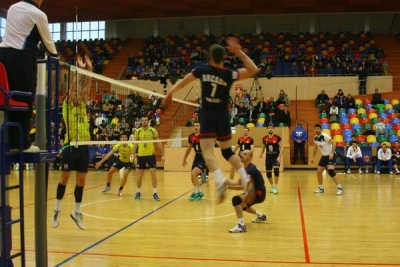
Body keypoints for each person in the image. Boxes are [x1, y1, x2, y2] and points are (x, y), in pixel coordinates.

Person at [163, 37, 259, 202]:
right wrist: (239, 52)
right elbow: (254, 70)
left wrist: (169, 93)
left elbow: (183, 83)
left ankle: (220, 180)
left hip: (207, 115)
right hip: (223, 115)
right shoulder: (229, 74)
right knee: (227, 151)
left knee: (207, 151)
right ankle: (244, 178)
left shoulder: (202, 70)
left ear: (210, 57)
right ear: (224, 58)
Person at [0, 0, 58, 151]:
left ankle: (12, 143)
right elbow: (49, 45)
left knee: (10, 100)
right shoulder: (38, 14)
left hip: (3, 56)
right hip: (20, 59)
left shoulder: (13, 8)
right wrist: (57, 58)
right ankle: (22, 145)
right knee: (25, 100)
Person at [51, 54, 92, 230]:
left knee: (81, 182)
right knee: (64, 179)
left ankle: (77, 212)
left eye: (78, 93)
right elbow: (73, 88)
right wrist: (78, 71)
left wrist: (89, 70)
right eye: (74, 92)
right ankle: (57, 210)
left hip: (84, 147)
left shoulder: (82, 104)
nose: (77, 94)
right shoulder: (67, 105)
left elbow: (87, 87)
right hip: (70, 146)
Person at [228, 150, 267, 233]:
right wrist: (226, 183)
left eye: (245, 154)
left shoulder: (251, 170)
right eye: (241, 153)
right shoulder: (246, 168)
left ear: (250, 157)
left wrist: (228, 187)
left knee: (236, 200)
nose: (242, 155)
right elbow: (238, 182)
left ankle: (241, 225)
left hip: (258, 194)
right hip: (254, 191)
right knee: (243, 206)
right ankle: (261, 216)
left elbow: (243, 186)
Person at [133, 116, 164, 201]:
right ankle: (138, 192)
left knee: (153, 173)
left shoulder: (153, 130)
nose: (144, 122)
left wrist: (163, 154)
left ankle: (155, 193)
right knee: (140, 174)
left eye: (145, 120)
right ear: (141, 122)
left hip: (151, 154)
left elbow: (158, 143)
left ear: (148, 122)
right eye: (142, 120)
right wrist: (133, 153)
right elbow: (135, 144)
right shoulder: (138, 131)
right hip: (141, 155)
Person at [311, 124, 343, 195]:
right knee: (319, 172)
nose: (316, 130)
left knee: (331, 171)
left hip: (330, 155)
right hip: (324, 156)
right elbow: (315, 148)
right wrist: (313, 157)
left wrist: (331, 153)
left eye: (318, 129)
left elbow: (334, 144)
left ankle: (340, 187)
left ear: (320, 129)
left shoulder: (325, 136)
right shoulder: (315, 138)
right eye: (315, 129)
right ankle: (321, 188)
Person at [182, 122, 206, 201]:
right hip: (197, 157)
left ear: (200, 127)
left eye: (198, 125)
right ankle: (199, 192)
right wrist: (184, 158)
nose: (196, 127)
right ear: (193, 127)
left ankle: (197, 193)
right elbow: (189, 148)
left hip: (203, 158)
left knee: (193, 174)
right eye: (195, 126)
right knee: (192, 177)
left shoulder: (203, 136)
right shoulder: (191, 137)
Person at [260, 124, 283, 194]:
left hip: (276, 157)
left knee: (276, 171)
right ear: (267, 129)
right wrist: (261, 153)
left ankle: (276, 186)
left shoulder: (277, 138)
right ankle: (272, 186)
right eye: (269, 128)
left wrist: (279, 157)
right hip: (268, 158)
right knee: (268, 174)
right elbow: (263, 147)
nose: (270, 129)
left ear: (273, 129)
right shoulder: (264, 138)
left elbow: (282, 147)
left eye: (271, 128)